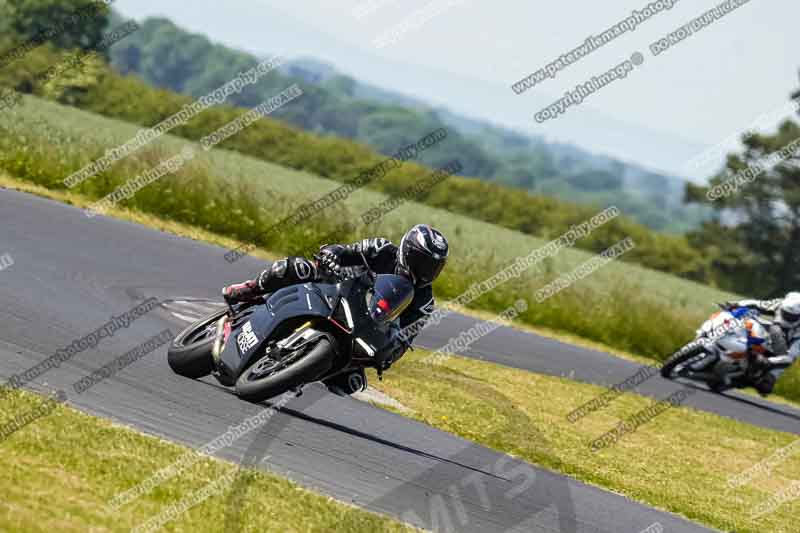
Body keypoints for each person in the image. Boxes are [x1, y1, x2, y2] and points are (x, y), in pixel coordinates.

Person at [222, 224, 449, 393]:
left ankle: (294, 371)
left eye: (433, 267)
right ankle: (250, 289)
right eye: (422, 262)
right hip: (336, 287)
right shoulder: (382, 249)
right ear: (406, 251)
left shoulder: (424, 300)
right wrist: (331, 256)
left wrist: (390, 353)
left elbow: (407, 335)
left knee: (350, 384)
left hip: (364, 326)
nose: (426, 271)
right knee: (294, 268)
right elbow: (342, 251)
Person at [722, 292, 800, 395]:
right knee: (748, 324)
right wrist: (735, 304)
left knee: (765, 387)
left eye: (791, 316)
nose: (787, 317)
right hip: (770, 334)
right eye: (785, 313)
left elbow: (790, 357)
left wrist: (768, 361)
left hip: (782, 354)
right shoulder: (779, 304)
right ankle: (729, 346)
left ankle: (747, 378)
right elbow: (756, 304)